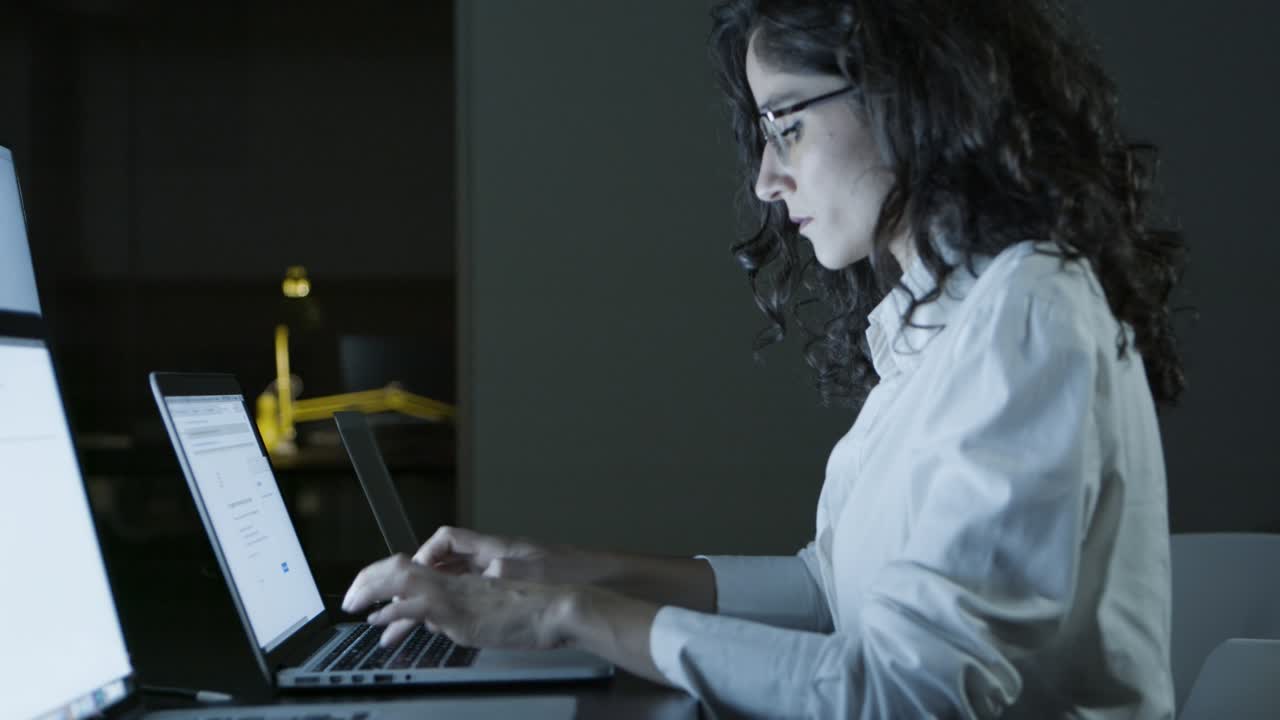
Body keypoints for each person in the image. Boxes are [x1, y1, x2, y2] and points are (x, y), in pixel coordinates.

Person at [342, 0, 1185, 716]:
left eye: (787, 124)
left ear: (909, 94)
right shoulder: (946, 319)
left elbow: (901, 691)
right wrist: (550, 570)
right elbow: (829, 593)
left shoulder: (1028, 309)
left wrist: (561, 615)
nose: (766, 180)